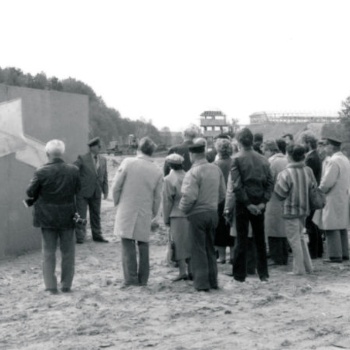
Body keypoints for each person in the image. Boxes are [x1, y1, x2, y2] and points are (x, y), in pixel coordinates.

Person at [26, 140, 81, 294]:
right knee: (68, 252)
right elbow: (78, 190)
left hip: (47, 217)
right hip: (68, 216)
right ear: (62, 153)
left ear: (47, 153)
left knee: (48, 252)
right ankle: (66, 285)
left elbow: (30, 192)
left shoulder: (40, 171)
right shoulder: (74, 170)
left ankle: (51, 286)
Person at [112, 137, 163, 287]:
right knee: (143, 243)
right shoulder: (157, 170)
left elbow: (116, 185)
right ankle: (143, 279)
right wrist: (154, 214)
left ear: (139, 149)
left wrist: (117, 202)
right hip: (145, 209)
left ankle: (130, 278)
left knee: (127, 242)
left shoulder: (128, 162)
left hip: (127, 207)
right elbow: (157, 196)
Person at [225, 128, 273, 283]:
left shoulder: (236, 159)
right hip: (259, 203)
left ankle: (239, 275)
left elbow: (237, 185)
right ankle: (263, 273)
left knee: (241, 239)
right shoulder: (264, 159)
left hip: (243, 204)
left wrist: (247, 203)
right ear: (252, 141)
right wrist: (262, 202)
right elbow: (270, 183)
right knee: (260, 239)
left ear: (239, 142)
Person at [179, 140, 226, 292]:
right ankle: (213, 281)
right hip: (213, 213)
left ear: (192, 155)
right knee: (210, 248)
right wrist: (212, 204)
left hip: (197, 214)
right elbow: (222, 193)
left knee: (198, 250)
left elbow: (189, 197)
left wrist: (183, 209)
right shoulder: (215, 169)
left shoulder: (192, 173)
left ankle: (201, 283)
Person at [274, 145, 315, 275]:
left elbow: (280, 193)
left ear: (289, 156)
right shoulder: (307, 171)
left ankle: (299, 269)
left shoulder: (285, 173)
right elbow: (313, 186)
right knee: (301, 238)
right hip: (304, 209)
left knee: (294, 240)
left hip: (290, 210)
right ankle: (308, 267)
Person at [312, 131, 350, 263]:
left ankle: (335, 255)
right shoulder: (345, 159)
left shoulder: (333, 161)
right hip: (343, 195)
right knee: (342, 226)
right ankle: (344, 253)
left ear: (331, 147)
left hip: (332, 196)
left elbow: (328, 181)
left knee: (331, 226)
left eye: (326, 146)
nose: (324, 148)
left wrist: (319, 190)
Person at [162, 154, 191, 281]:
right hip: (190, 213)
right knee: (189, 242)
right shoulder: (189, 176)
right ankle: (191, 270)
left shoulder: (169, 179)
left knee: (178, 244)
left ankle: (182, 271)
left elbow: (167, 201)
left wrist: (166, 218)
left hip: (176, 214)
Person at [74, 137, 109, 243]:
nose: (100, 148)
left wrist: (105, 190)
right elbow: (73, 169)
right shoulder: (82, 158)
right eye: (98, 146)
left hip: (97, 192)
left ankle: (97, 235)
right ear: (92, 147)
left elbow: (105, 176)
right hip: (83, 192)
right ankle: (80, 237)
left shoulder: (103, 160)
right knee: (81, 215)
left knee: (96, 215)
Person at [262, 140, 289, 265]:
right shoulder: (286, 159)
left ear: (269, 150)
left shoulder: (272, 162)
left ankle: (276, 257)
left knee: (273, 228)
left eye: (265, 150)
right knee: (283, 229)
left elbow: (268, 180)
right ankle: (283, 255)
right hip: (286, 197)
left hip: (274, 197)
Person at [300, 131, 323, 259]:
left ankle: (314, 251)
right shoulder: (315, 156)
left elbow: (308, 177)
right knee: (313, 223)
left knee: (310, 223)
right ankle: (317, 250)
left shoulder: (311, 158)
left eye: (303, 142)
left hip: (311, 193)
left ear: (308, 143)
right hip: (314, 192)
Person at [214, 138, 235, 264]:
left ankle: (221, 257)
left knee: (220, 229)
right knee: (231, 227)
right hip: (233, 198)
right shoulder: (235, 162)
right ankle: (232, 255)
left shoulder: (215, 165)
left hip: (219, 199)